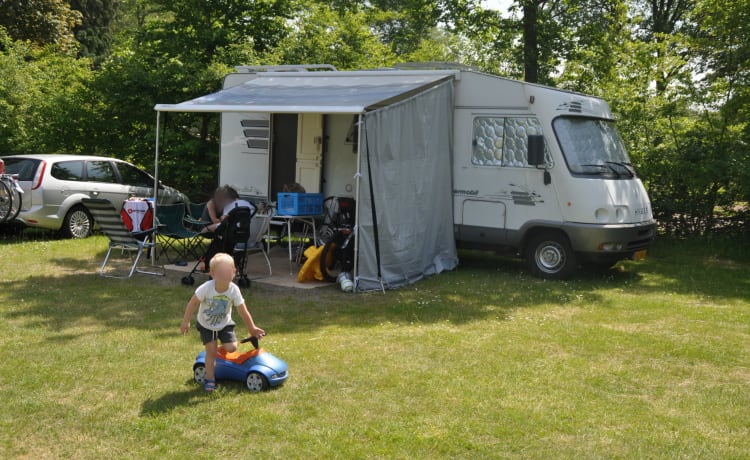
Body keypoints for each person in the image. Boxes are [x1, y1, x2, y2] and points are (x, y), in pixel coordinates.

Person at [180, 252, 265, 392]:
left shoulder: (234, 290)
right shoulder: (206, 288)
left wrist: (252, 329)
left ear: (234, 272)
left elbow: (243, 311)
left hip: (225, 324)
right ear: (212, 274)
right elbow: (192, 303)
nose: (225, 275)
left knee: (231, 348)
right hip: (206, 325)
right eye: (221, 272)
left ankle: (218, 349)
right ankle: (210, 379)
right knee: (211, 353)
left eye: (228, 272)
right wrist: (185, 322)